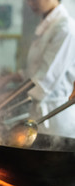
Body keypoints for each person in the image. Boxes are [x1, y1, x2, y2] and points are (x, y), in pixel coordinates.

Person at [22, 0, 75, 138]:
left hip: (57, 119)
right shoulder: (47, 25)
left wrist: (10, 99)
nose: (29, 2)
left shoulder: (65, 28)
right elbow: (34, 70)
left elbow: (45, 81)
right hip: (39, 114)